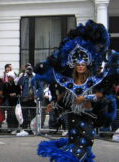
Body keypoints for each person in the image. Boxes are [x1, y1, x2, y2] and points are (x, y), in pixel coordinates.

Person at [34, 20, 118, 161]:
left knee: (78, 152)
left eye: (83, 64)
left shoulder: (93, 80)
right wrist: (53, 104)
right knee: (74, 148)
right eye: (78, 64)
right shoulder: (68, 82)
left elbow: (101, 94)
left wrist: (85, 98)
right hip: (73, 121)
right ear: (74, 65)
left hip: (87, 121)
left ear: (87, 65)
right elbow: (63, 95)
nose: (80, 66)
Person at [17, 64, 36, 136]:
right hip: (25, 99)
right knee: (24, 114)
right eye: (28, 69)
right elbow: (19, 83)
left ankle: (31, 129)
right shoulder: (24, 77)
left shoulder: (35, 77)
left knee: (32, 115)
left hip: (32, 99)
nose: (29, 71)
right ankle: (24, 129)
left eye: (30, 69)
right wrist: (23, 74)